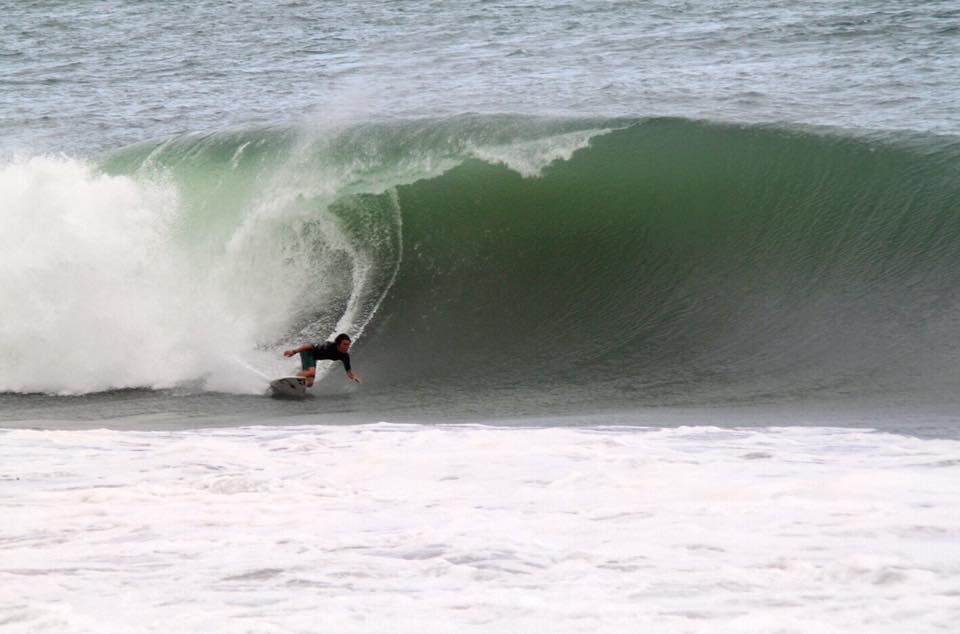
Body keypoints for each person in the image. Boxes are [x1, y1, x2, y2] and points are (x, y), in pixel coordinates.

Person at [283, 333, 361, 387]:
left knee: (310, 383)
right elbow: (309, 346)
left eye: (348, 344)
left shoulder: (345, 356)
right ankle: (291, 382)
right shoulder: (328, 346)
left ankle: (295, 384)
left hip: (313, 358)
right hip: (307, 352)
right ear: (338, 344)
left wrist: (353, 377)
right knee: (311, 371)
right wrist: (294, 351)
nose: (347, 347)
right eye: (344, 344)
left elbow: (349, 372)